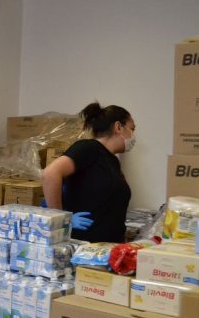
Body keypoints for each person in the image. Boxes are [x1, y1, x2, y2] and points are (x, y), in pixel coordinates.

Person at [41, 102, 135, 243]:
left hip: (107, 248)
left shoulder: (112, 161)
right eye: (132, 129)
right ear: (118, 127)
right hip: (85, 247)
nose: (133, 135)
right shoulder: (88, 148)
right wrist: (62, 219)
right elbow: (49, 174)